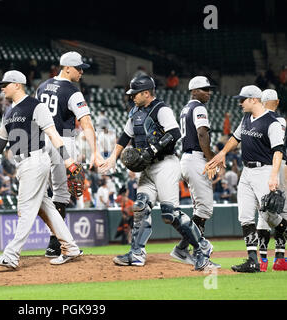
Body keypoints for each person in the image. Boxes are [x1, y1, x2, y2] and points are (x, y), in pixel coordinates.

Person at [99, 75, 216, 270]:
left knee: (170, 214)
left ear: (146, 93)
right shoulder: (135, 111)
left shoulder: (161, 109)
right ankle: (137, 253)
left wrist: (151, 150)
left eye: (135, 93)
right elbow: (125, 136)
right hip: (148, 167)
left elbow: (175, 133)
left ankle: (202, 247)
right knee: (140, 207)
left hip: (166, 165)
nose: (132, 97)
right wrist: (112, 158)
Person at [0, 70, 83, 268]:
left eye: (6, 83)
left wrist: (68, 160)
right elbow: (2, 138)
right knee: (46, 208)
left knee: (26, 210)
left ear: (18, 84)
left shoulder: (36, 106)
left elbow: (53, 134)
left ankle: (11, 255)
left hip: (35, 160)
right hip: (23, 164)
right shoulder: (9, 112)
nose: (2, 87)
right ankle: (70, 247)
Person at [205, 85, 287, 273]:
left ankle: (284, 227)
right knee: (245, 216)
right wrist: (222, 153)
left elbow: (278, 151)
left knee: (269, 215)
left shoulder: (272, 122)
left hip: (264, 170)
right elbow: (235, 137)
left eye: (243, 99)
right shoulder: (246, 119)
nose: (240, 103)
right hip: (247, 172)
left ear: (254, 100)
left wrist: (273, 175)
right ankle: (252, 260)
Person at [35, 51, 104, 258]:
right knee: (61, 194)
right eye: (78, 68)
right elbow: (86, 123)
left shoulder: (41, 87)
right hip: (62, 140)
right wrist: (95, 152)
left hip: (38, 142)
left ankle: (54, 242)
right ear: (66, 68)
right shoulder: (73, 91)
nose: (82, 71)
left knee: (44, 194)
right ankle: (57, 244)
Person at [173, 76, 219, 266]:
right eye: (204, 89)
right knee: (204, 208)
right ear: (193, 90)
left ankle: (183, 249)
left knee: (201, 209)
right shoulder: (198, 107)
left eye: (209, 89)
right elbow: (202, 133)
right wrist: (211, 159)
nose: (208, 92)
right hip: (196, 158)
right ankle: (199, 254)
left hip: (189, 157)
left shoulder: (186, 108)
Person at [255, 89, 287, 271]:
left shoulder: (255, 121)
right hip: (278, 166)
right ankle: (280, 259)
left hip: (259, 168)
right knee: (281, 211)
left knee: (263, 211)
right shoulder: (279, 120)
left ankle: (263, 260)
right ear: (277, 101)